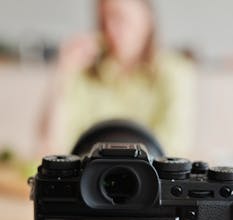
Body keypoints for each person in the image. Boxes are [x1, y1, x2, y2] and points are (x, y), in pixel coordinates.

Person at [39, 0, 196, 157]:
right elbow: (50, 144)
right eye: (103, 20)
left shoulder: (176, 72)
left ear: (147, 19)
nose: (110, 28)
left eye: (120, 17)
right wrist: (63, 72)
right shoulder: (83, 73)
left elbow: (175, 147)